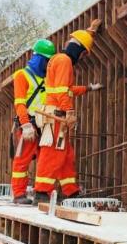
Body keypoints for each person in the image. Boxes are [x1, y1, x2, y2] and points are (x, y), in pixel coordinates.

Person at [34, 20, 103, 202]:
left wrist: (89, 88)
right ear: (78, 51)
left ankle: (71, 191)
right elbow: (62, 91)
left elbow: (67, 89)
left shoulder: (58, 59)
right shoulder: (64, 61)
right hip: (57, 114)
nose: (81, 59)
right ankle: (41, 192)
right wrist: (70, 111)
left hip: (57, 113)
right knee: (53, 154)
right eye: (82, 54)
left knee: (65, 155)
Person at [10, 38, 56, 204]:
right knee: (23, 160)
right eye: (47, 61)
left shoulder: (48, 78)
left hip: (45, 125)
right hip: (29, 124)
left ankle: (42, 193)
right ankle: (18, 194)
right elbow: (20, 103)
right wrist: (25, 124)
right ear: (39, 59)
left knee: (46, 160)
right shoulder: (22, 75)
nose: (48, 65)